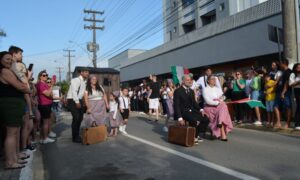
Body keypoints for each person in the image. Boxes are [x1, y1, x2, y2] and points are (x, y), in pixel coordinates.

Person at [0, 51, 31, 169]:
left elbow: (25, 87)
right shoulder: (5, 71)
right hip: (10, 104)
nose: (10, 61)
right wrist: (25, 86)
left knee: (15, 131)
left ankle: (15, 156)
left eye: (11, 59)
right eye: (7, 59)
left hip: (14, 104)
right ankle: (10, 161)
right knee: (11, 134)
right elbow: (22, 86)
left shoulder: (9, 71)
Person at [173, 74, 210, 143]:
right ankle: (193, 136)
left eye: (190, 80)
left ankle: (195, 134)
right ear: (183, 81)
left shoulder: (191, 91)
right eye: (187, 80)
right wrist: (180, 118)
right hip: (183, 112)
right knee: (195, 120)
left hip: (192, 111)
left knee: (205, 118)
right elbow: (176, 105)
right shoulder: (178, 91)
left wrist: (201, 110)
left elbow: (194, 103)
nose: (189, 81)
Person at [203, 75, 233, 141]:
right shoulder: (205, 89)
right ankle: (223, 133)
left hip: (219, 106)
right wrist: (217, 102)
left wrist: (222, 98)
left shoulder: (217, 88)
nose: (214, 80)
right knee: (223, 106)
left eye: (215, 79)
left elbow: (223, 97)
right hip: (209, 107)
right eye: (212, 79)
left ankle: (220, 123)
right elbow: (207, 101)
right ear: (208, 80)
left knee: (223, 106)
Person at [9, 46, 34, 120]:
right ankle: (30, 112)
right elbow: (22, 79)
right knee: (22, 126)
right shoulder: (15, 65)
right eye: (20, 54)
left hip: (21, 96)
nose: (22, 56)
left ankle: (30, 111)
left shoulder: (15, 64)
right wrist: (28, 78)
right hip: (18, 97)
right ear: (14, 54)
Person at [67, 68, 89, 143]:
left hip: (79, 100)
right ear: (81, 73)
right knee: (76, 118)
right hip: (73, 99)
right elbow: (74, 91)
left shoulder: (84, 81)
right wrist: (77, 102)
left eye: (88, 72)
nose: (87, 73)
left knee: (80, 118)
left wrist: (82, 102)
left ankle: (76, 135)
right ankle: (75, 137)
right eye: (85, 72)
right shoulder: (76, 80)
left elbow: (82, 92)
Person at [36, 71, 55, 144]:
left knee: (44, 122)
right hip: (44, 105)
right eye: (44, 75)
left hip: (47, 104)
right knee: (45, 122)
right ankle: (45, 138)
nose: (46, 76)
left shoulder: (44, 84)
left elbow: (51, 95)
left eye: (46, 75)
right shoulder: (41, 84)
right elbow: (48, 94)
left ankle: (42, 137)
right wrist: (52, 85)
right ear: (40, 76)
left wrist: (50, 89)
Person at [274, 60, 292, 128]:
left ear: (284, 64)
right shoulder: (282, 72)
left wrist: (283, 92)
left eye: (281, 64)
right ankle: (278, 123)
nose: (280, 65)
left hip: (285, 92)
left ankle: (288, 123)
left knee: (288, 107)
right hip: (279, 91)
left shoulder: (288, 71)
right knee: (276, 106)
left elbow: (287, 83)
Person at [289, 63, 300, 130]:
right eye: (298, 67)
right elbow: (290, 84)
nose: (299, 68)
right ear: (295, 68)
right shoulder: (293, 74)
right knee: (299, 106)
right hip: (297, 90)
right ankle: (297, 124)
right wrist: (298, 82)